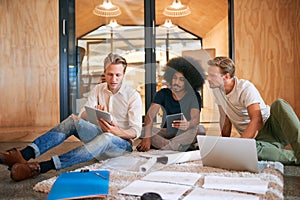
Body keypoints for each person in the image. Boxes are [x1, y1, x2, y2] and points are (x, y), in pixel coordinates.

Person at [0, 53, 143, 181]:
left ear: (124, 74)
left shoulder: (132, 96)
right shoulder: (98, 89)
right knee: (73, 120)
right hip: (100, 136)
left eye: (118, 75)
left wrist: (116, 132)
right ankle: (24, 154)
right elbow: (83, 115)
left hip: (121, 146)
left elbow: (136, 131)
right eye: (110, 74)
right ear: (105, 73)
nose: (114, 79)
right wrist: (94, 112)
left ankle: (41, 167)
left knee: (107, 137)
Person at [206, 56, 300, 164]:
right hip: (258, 140)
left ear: (226, 76)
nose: (208, 78)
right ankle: (294, 158)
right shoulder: (217, 91)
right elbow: (225, 118)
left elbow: (257, 119)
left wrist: (241, 144)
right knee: (249, 151)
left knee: (279, 104)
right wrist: (226, 145)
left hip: (271, 126)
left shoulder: (245, 88)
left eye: (212, 75)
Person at [137, 56, 206, 152]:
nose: (176, 82)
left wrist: (188, 124)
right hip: (167, 131)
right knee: (143, 131)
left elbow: (195, 119)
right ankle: (181, 146)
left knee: (200, 130)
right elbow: (150, 116)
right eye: (175, 78)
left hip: (185, 132)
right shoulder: (163, 93)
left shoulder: (193, 95)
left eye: (181, 80)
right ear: (170, 78)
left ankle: (164, 145)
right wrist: (147, 137)